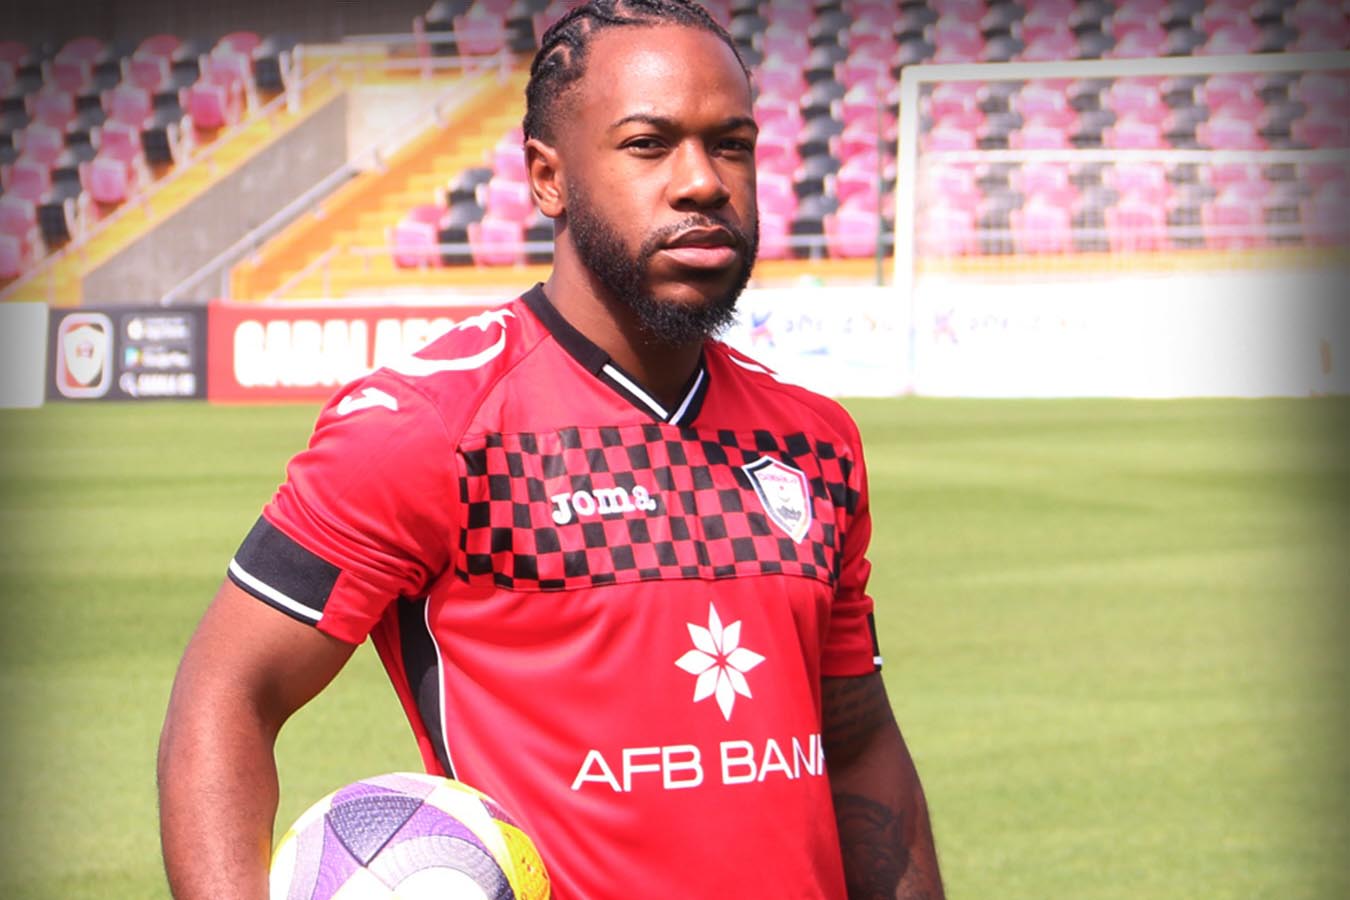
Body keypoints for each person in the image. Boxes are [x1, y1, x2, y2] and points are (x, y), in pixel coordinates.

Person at [157, 2, 944, 898]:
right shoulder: (430, 426)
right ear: (548, 178)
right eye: (648, 145)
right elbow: (226, 695)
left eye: (731, 145)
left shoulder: (813, 441)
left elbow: (857, 740)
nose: (702, 182)